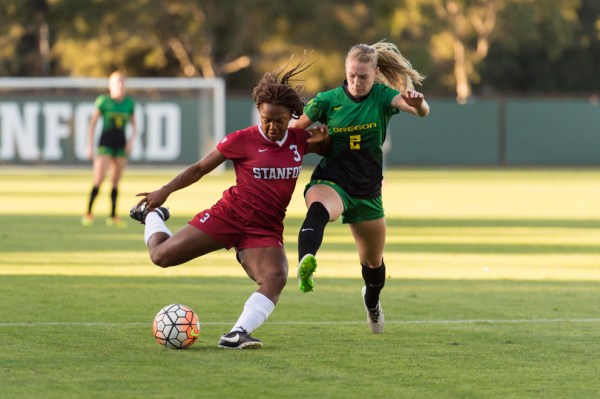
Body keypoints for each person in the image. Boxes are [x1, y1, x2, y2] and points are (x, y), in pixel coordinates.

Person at [129, 60, 330, 349]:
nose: (272, 127)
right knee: (161, 257)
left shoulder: (300, 139)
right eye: (266, 120)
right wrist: (165, 191)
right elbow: (199, 168)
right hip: (229, 216)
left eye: (280, 121)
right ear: (259, 113)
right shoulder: (242, 140)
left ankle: (237, 333)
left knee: (276, 276)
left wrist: (325, 141)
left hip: (264, 230)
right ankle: (153, 216)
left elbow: (326, 145)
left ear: (292, 117)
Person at [292, 41, 430, 334]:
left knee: (373, 264)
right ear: (346, 71)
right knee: (318, 209)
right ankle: (306, 259)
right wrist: (310, 140)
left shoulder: (382, 96)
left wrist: (418, 104)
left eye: (363, 76)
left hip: (367, 192)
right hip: (332, 180)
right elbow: (293, 132)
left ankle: (372, 302)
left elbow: (420, 110)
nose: (356, 81)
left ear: (375, 73)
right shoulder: (327, 100)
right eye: (352, 74)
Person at [82, 71, 138, 227]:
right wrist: (89, 145)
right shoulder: (103, 101)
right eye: (116, 82)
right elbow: (92, 124)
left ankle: (113, 216)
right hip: (105, 143)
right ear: (110, 85)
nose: (120, 85)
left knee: (115, 181)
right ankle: (88, 213)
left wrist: (131, 141)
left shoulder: (129, 103)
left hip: (120, 144)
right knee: (99, 179)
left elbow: (134, 126)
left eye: (122, 82)